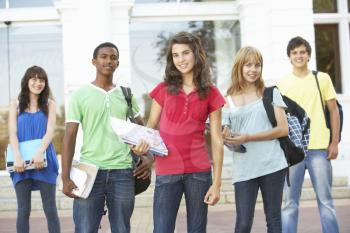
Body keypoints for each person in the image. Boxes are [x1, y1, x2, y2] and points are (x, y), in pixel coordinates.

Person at [61, 42, 153, 233]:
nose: (108, 61)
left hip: (123, 172)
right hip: (89, 171)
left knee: (121, 229)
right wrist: (65, 177)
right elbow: (69, 137)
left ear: (117, 63)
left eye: (113, 57)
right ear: (94, 62)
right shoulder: (80, 95)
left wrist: (148, 157)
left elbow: (142, 131)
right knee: (85, 229)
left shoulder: (126, 95)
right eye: (103, 57)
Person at [146, 31, 225, 233]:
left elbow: (216, 140)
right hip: (166, 169)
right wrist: (142, 148)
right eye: (176, 55)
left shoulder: (211, 92)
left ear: (196, 54)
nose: (181, 59)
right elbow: (151, 126)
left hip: (199, 171)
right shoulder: (163, 89)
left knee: (197, 230)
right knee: (162, 229)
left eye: (185, 53)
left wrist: (216, 183)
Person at [222, 46, 289, 233]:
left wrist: (248, 137)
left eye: (257, 65)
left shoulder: (270, 93)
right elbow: (224, 132)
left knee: (274, 220)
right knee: (243, 224)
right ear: (239, 67)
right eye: (248, 65)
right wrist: (225, 136)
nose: (253, 69)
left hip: (272, 164)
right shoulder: (227, 98)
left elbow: (283, 129)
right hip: (244, 168)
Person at [278, 36, 340, 233]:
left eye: (302, 52)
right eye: (294, 52)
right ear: (289, 57)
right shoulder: (282, 84)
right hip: (293, 152)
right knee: (289, 203)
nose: (299, 55)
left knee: (326, 201)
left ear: (309, 55)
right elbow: (280, 119)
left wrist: (335, 142)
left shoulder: (321, 78)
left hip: (319, 148)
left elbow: (334, 110)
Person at [8, 65, 60, 233]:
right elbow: (13, 133)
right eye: (34, 79)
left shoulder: (50, 104)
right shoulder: (15, 104)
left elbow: (50, 131)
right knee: (23, 211)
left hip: (45, 160)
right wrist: (17, 156)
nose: (38, 83)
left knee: (50, 210)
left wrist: (39, 153)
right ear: (26, 81)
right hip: (20, 162)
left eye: (42, 80)